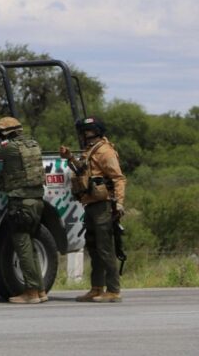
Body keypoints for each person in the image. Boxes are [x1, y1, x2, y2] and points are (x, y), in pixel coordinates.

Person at [0, 117, 47, 304]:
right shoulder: (33, 144)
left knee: (22, 248)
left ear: (5, 133)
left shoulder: (10, 147)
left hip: (21, 203)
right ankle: (40, 290)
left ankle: (31, 292)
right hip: (37, 201)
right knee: (30, 247)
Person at [60, 116, 126, 303]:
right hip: (90, 204)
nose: (83, 135)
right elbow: (83, 171)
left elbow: (118, 178)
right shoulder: (90, 151)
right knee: (94, 248)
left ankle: (113, 290)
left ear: (95, 131)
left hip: (103, 205)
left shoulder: (105, 152)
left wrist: (119, 203)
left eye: (86, 131)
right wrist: (70, 157)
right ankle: (97, 288)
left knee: (105, 248)